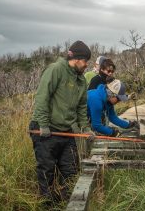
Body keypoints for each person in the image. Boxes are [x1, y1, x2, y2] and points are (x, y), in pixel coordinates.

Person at [29, 40, 95, 204]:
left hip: (66, 131)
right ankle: (48, 205)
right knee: (47, 171)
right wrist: (43, 124)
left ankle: (68, 203)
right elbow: (42, 98)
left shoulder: (81, 80)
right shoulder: (56, 70)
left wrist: (85, 128)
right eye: (86, 61)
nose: (87, 65)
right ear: (77, 59)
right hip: (47, 131)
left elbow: (81, 107)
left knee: (71, 169)